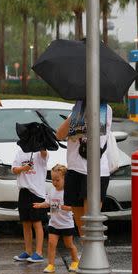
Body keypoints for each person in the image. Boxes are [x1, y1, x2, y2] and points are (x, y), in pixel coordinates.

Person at [55, 100, 112, 236]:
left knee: (91, 225)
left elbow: (97, 134)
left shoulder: (105, 109)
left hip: (95, 172)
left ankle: (96, 256)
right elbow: (59, 135)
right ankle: (86, 256)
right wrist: (76, 113)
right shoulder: (76, 109)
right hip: (74, 170)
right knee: (81, 228)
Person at [34, 164, 79, 273]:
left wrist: (62, 207)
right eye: (53, 180)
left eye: (57, 180)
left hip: (66, 224)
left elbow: (73, 207)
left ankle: (75, 261)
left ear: (65, 179)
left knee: (69, 244)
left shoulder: (68, 192)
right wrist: (41, 205)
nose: (54, 182)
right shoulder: (51, 190)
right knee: (51, 244)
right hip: (54, 223)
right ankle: (51, 265)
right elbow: (48, 203)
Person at [11, 145, 48, 264]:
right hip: (24, 191)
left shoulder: (40, 153)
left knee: (37, 222)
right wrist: (23, 168)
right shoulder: (20, 152)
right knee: (25, 222)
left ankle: (39, 252)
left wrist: (42, 144)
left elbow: (44, 155)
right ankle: (28, 251)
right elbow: (13, 169)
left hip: (37, 192)